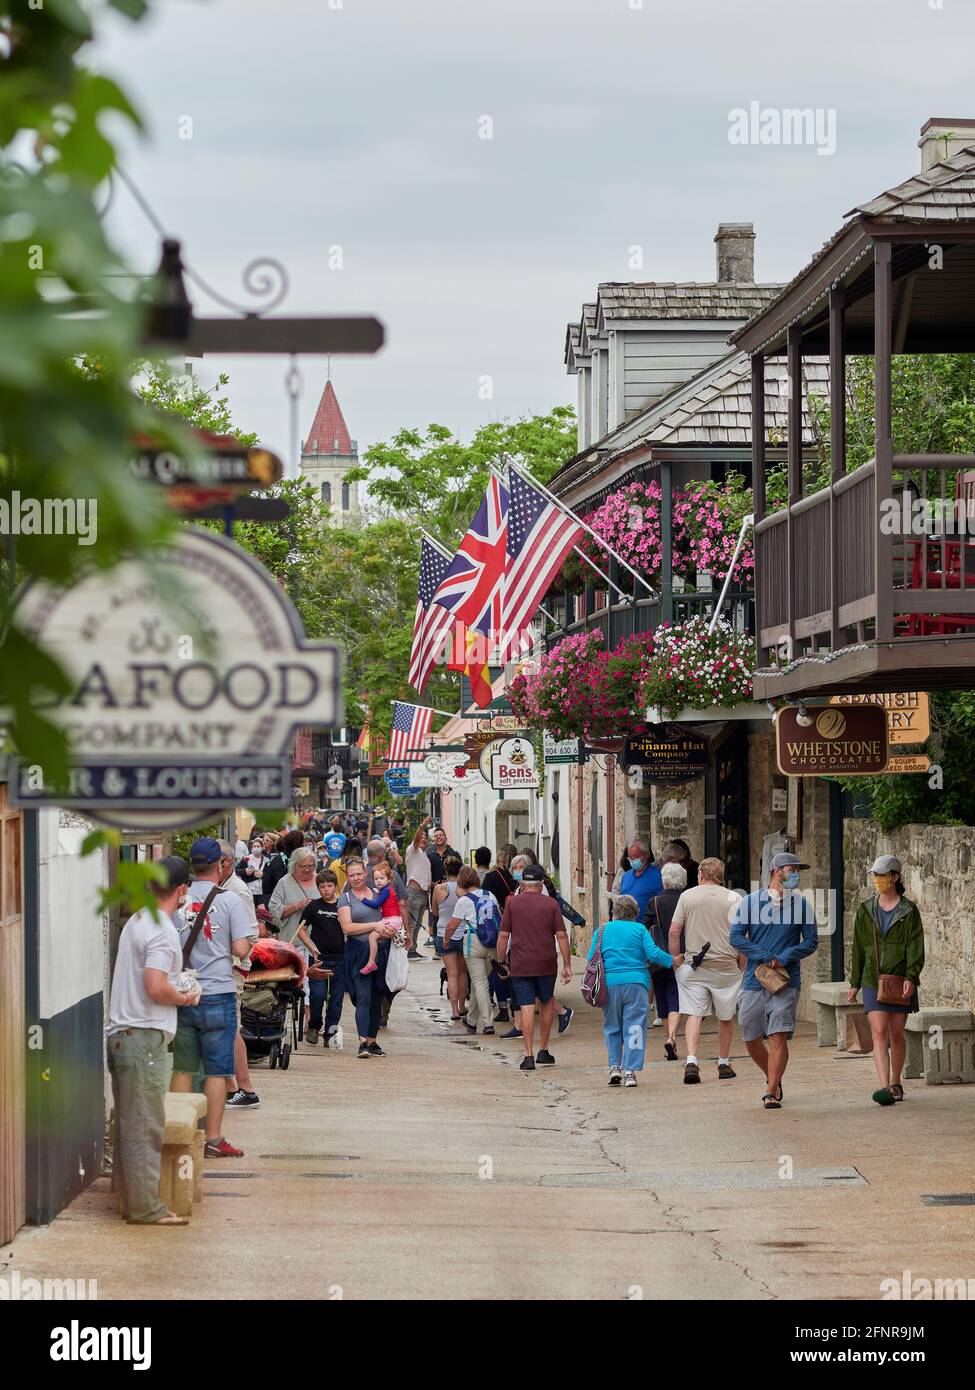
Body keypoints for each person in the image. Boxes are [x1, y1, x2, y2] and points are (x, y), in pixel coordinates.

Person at [107, 855, 200, 1225]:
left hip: (123, 1036)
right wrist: (186, 995)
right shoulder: (162, 929)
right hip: (144, 1039)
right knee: (146, 1126)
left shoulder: (136, 921)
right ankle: (147, 1208)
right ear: (180, 891)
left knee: (131, 1124)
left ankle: (135, 1202)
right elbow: (156, 987)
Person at [171, 838, 254, 1158]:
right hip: (218, 992)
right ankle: (213, 1140)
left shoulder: (178, 898)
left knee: (183, 1067)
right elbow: (241, 949)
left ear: (192, 865)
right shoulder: (230, 900)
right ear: (220, 865)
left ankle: (179, 1132)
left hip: (185, 990)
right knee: (218, 1070)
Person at [729, 851, 819, 1110]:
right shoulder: (750, 902)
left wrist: (786, 956)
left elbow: (811, 941)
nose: (795, 875)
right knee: (751, 1036)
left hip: (785, 981)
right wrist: (763, 955)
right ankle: (773, 1076)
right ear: (776, 871)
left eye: (797, 871)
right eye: (792, 870)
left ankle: (770, 1091)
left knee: (778, 1035)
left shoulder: (802, 905)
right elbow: (736, 936)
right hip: (754, 979)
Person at [848, 854, 925, 1106]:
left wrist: (911, 976)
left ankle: (896, 1082)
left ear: (895, 877)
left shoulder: (908, 910)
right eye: (876, 875)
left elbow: (916, 946)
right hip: (872, 977)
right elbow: (858, 947)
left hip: (899, 978)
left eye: (883, 875)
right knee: (879, 1032)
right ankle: (884, 1087)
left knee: (896, 1034)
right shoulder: (865, 909)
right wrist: (855, 982)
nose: (878, 880)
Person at [591, 893, 684, 1087]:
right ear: (635, 912)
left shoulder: (602, 931)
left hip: (610, 984)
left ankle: (614, 1067)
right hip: (637, 983)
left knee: (612, 1026)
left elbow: (591, 957)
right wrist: (672, 961)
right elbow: (653, 953)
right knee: (634, 1026)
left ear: (614, 911)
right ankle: (630, 1072)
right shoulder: (640, 929)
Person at [669, 856, 743, 1084]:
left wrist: (676, 959)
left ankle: (691, 1060)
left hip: (695, 965)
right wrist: (742, 965)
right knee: (726, 1016)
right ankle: (723, 1062)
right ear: (721, 876)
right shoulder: (735, 898)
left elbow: (674, 932)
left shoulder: (687, 896)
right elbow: (744, 935)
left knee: (694, 1013)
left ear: (701, 875)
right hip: (726, 965)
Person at [496, 864, 571, 1071]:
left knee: (526, 1005)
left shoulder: (512, 903)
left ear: (523, 883)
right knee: (546, 1003)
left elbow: (503, 936)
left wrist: (502, 961)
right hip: (546, 962)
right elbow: (562, 936)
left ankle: (528, 1056)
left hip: (521, 963)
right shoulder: (551, 905)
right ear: (541, 884)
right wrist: (567, 964)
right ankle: (543, 1050)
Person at [216, 840, 261, 1111]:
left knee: (230, 1027)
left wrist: (233, 961)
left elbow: (251, 935)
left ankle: (246, 1089)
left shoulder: (238, 891)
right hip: (220, 970)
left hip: (231, 971)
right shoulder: (220, 888)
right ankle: (233, 1086)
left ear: (227, 863)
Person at [337, 859, 399, 1058]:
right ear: (347, 876)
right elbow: (347, 927)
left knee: (376, 997)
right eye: (351, 875)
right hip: (358, 952)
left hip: (381, 951)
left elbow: (390, 917)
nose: (356, 878)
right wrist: (375, 926)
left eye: (359, 874)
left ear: (366, 873)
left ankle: (372, 1041)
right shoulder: (345, 899)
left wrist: (390, 930)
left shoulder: (377, 893)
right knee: (362, 996)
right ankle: (362, 1041)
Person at [443, 866, 499, 1035]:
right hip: (492, 944)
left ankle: (488, 1022)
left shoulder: (464, 901)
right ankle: (472, 1021)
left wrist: (446, 941)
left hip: (473, 942)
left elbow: (452, 925)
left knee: (479, 983)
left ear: (461, 881)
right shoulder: (491, 896)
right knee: (478, 982)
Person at [297, 869, 347, 1047]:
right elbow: (301, 929)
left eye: (330, 886)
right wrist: (312, 947)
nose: (326, 889)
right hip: (319, 959)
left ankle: (330, 1033)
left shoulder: (343, 905)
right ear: (318, 888)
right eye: (322, 886)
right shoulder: (314, 906)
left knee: (336, 999)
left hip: (340, 959)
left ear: (336, 886)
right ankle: (314, 1026)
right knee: (317, 995)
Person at [644, 861, 686, 1060]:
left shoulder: (654, 902)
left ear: (665, 881)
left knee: (661, 998)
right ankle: (672, 1038)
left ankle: (670, 1041)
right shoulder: (686, 900)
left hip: (659, 958)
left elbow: (645, 928)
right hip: (683, 955)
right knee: (676, 998)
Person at [433, 854, 469, 1022]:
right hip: (462, 934)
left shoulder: (439, 889)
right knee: (462, 972)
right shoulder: (465, 889)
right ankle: (462, 1006)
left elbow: (434, 912)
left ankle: (454, 1009)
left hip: (443, 932)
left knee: (451, 974)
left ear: (445, 870)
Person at [358, 860, 405, 975]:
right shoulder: (385, 889)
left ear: (389, 879)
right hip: (392, 919)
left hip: (391, 920)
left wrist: (363, 899)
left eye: (381, 878)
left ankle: (371, 962)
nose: (378, 881)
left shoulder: (386, 891)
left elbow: (376, 904)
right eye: (376, 879)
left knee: (372, 937)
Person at [268, 846, 320, 943]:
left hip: (318, 943)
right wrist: (297, 906)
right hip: (291, 941)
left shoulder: (321, 881)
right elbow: (273, 910)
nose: (307, 869)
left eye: (311, 866)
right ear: (294, 865)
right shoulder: (284, 882)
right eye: (303, 866)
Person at [404, 826, 433, 960]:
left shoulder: (423, 854)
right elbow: (416, 838)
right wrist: (422, 826)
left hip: (423, 894)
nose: (423, 839)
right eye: (421, 837)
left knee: (417, 924)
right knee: (411, 924)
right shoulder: (413, 850)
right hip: (414, 893)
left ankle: (413, 949)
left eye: (425, 838)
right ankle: (409, 950)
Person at [619, 839, 663, 921]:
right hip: (627, 927)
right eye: (630, 858)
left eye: (635, 857)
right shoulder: (625, 876)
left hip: (645, 929)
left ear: (645, 855)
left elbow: (662, 905)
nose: (632, 861)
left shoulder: (658, 877)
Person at [262, 828, 304, 902]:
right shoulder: (304, 859)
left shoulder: (275, 860)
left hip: (279, 899)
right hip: (299, 899)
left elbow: (266, 886)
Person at [239, 837, 267, 909]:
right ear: (251, 848)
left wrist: (263, 874)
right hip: (249, 891)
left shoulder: (266, 860)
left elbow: (269, 875)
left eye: (258, 846)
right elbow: (237, 871)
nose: (256, 848)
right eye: (254, 846)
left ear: (262, 848)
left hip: (261, 892)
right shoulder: (246, 859)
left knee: (262, 915)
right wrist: (245, 871)